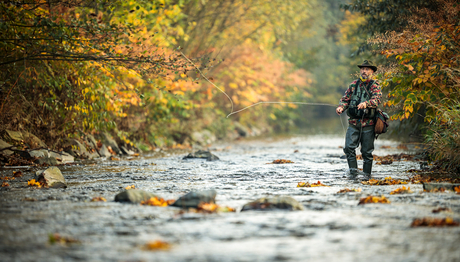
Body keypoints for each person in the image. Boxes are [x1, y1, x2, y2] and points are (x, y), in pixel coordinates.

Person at [336, 60, 382, 179]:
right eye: (362, 69)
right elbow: (345, 99)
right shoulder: (353, 85)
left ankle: (367, 175)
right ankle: (353, 173)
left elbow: (377, 100)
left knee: (366, 153)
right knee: (348, 149)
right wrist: (341, 107)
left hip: (368, 124)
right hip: (353, 123)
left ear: (372, 71)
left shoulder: (375, 85)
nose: (364, 71)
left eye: (367, 69)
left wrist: (366, 104)